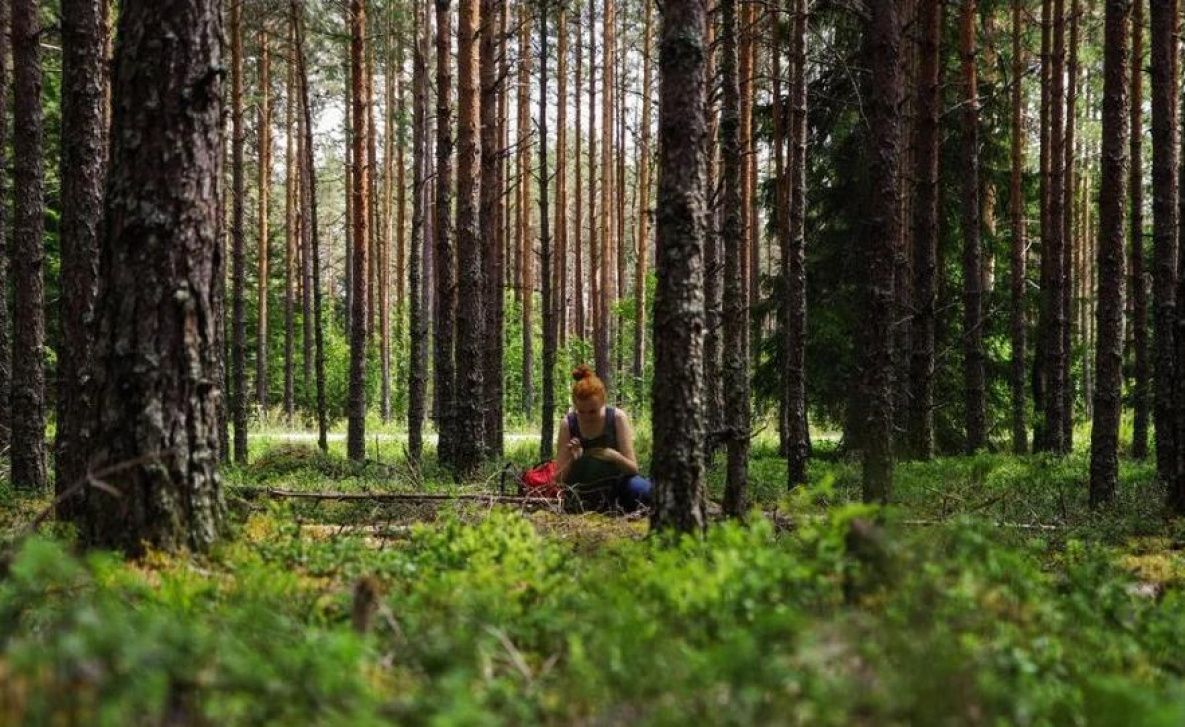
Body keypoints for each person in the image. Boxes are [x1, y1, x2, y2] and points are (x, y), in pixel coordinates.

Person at [554, 365, 653, 512]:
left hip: (619, 485)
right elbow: (559, 480)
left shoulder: (617, 418)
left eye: (593, 411)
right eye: (581, 412)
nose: (587, 417)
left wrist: (614, 457)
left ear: (603, 402)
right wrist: (574, 459)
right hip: (583, 490)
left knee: (646, 492)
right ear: (575, 405)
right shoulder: (568, 424)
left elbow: (633, 469)